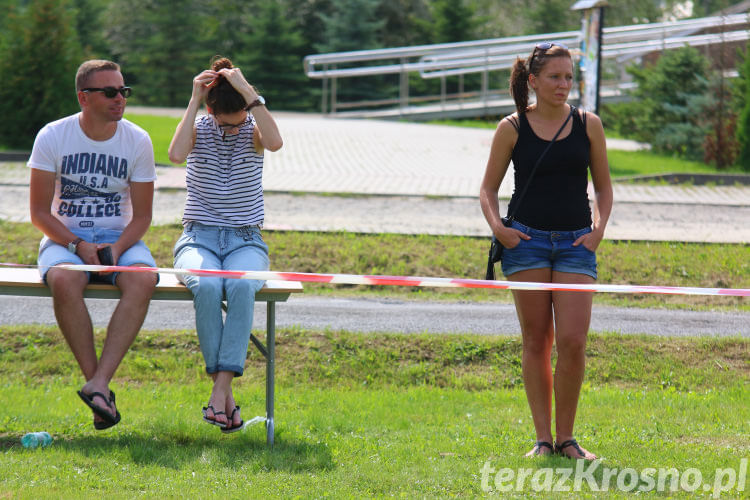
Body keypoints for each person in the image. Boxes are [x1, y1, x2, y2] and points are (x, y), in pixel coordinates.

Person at [479, 43, 613, 460]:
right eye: (555, 77)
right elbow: (487, 189)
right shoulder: (512, 127)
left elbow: (605, 187)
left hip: (576, 244)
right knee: (537, 339)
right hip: (526, 243)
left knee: (572, 340)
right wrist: (499, 229)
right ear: (533, 81)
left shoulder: (588, 124)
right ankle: (542, 440)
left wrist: (598, 231)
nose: (564, 85)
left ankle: (567, 438)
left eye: (569, 77)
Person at [28, 59, 158, 430]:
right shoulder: (53, 135)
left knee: (143, 279)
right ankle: (99, 388)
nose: (120, 99)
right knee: (66, 279)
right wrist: (77, 245)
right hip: (64, 239)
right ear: (84, 97)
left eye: (124, 91)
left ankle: (98, 386)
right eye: (110, 92)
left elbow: (142, 218)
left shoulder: (137, 139)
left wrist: (115, 249)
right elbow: (39, 213)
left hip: (122, 238)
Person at [168, 57, 282, 433]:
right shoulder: (200, 126)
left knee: (240, 285)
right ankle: (225, 398)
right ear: (211, 110)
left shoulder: (252, 127)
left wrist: (249, 92)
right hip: (198, 235)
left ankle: (220, 391)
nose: (230, 130)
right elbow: (175, 154)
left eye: (236, 123)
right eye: (223, 122)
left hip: (245, 238)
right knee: (207, 283)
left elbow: (276, 142)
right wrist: (194, 98)